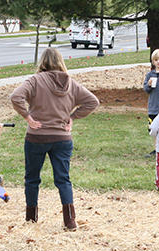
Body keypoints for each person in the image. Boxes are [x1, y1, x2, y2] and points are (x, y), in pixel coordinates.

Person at [10, 47, 99, 229]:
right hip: (62, 138)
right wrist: (72, 117)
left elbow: (15, 96)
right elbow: (93, 102)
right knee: (63, 179)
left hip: (37, 137)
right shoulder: (71, 83)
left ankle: (31, 218)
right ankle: (70, 220)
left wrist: (27, 117)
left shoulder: (35, 81)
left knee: (32, 178)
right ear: (60, 61)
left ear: (42, 61)